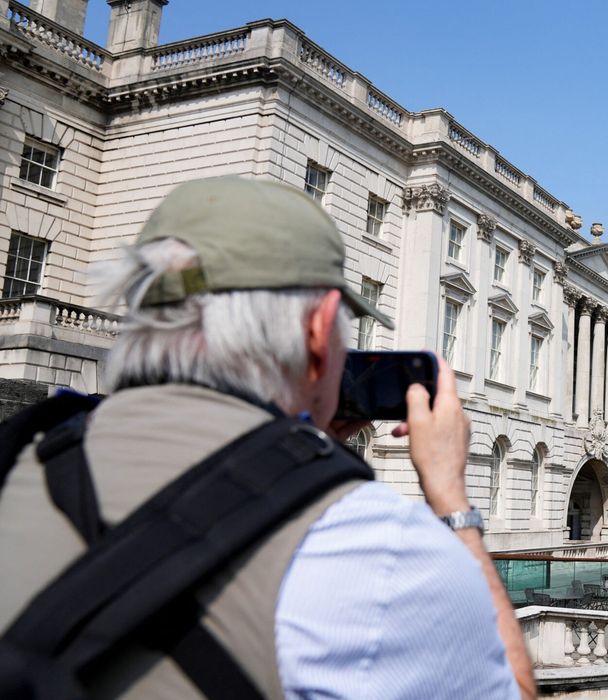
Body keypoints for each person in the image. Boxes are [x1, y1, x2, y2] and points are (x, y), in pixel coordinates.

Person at [0, 176, 537, 698]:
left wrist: (279, 451)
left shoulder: (17, 454)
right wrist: (453, 500)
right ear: (318, 332)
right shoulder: (381, 547)